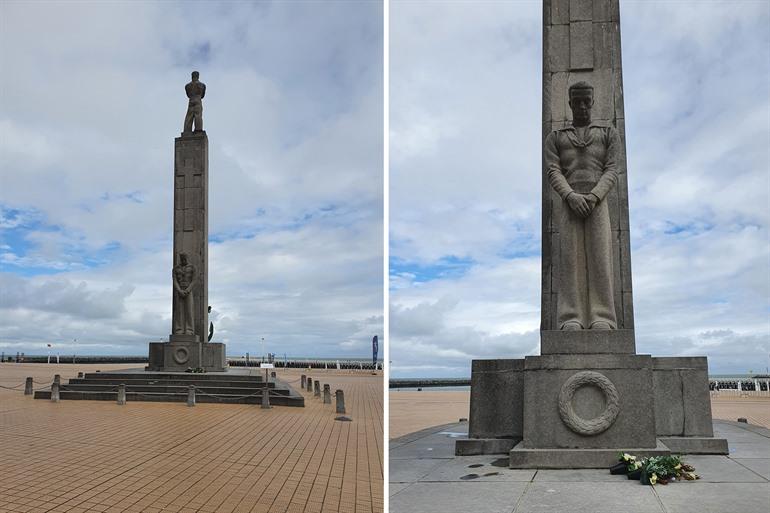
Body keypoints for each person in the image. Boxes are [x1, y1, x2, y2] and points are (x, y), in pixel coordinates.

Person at [544, 81, 620, 330]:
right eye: (577, 102)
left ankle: (603, 316)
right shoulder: (556, 137)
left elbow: (612, 169)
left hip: (597, 203)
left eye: (587, 102)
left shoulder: (607, 133)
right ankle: (570, 317)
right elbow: (553, 170)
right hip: (569, 203)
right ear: (570, 104)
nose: (582, 107)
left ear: (593, 102)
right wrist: (570, 195)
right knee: (570, 260)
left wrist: (595, 196)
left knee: (600, 258)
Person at [173, 252, 197, 335]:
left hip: (188, 290)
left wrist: (188, 290)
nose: (184, 260)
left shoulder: (192, 268)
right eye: (182, 259)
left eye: (185, 258)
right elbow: (175, 280)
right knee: (179, 311)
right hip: (179, 290)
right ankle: (178, 329)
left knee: (189, 310)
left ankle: (189, 329)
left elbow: (194, 280)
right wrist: (179, 290)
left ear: (187, 258)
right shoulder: (176, 268)